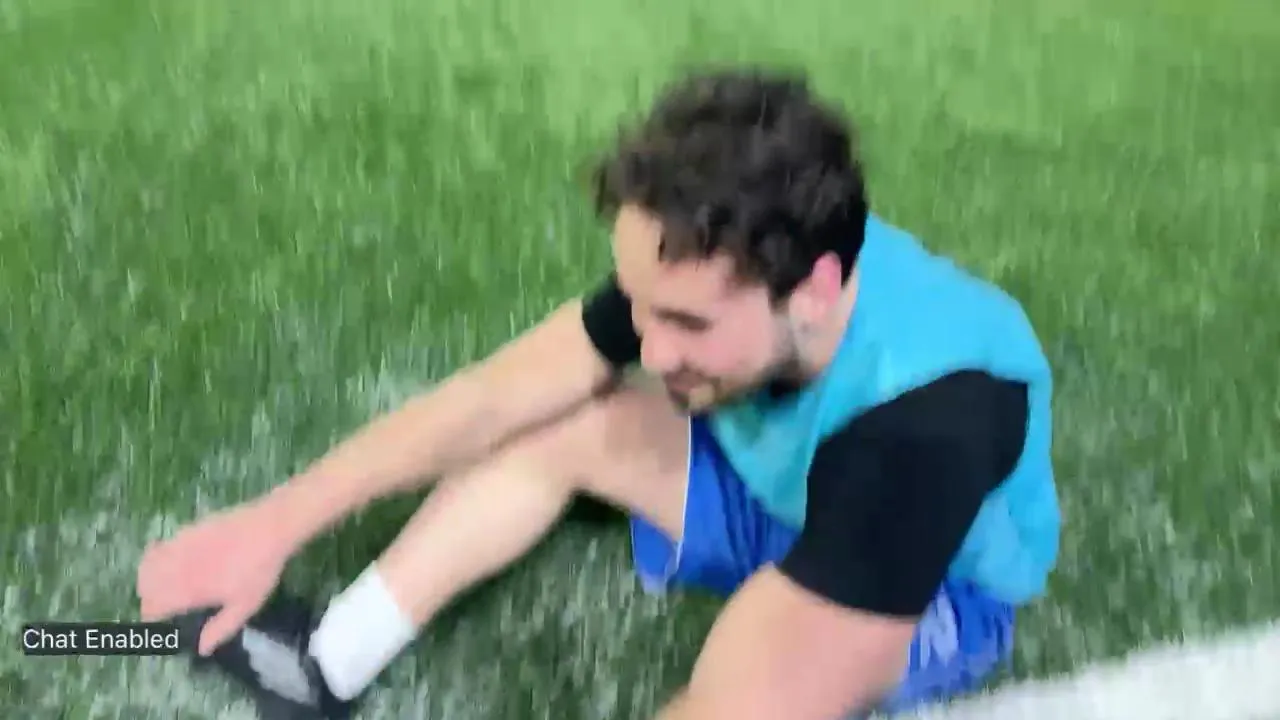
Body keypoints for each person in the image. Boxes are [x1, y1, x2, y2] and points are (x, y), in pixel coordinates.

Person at [136, 67, 1060, 720]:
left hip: (926, 585)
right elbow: (492, 398)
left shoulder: (928, 419)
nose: (650, 351)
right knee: (558, 417)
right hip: (785, 486)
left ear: (814, 290)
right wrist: (277, 522)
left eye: (687, 324)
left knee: (762, 680)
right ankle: (328, 662)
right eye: (643, 310)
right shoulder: (730, 264)